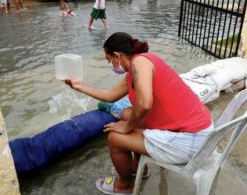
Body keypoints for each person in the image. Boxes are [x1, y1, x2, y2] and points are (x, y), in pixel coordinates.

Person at [65, 32, 214, 194]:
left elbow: (144, 105)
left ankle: (125, 185)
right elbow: (110, 96)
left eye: (109, 61)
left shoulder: (139, 64)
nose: (111, 65)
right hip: (198, 129)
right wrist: (80, 86)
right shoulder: (141, 62)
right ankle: (137, 168)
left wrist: (127, 128)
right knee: (127, 113)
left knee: (115, 138)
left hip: (192, 141)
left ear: (117, 55)